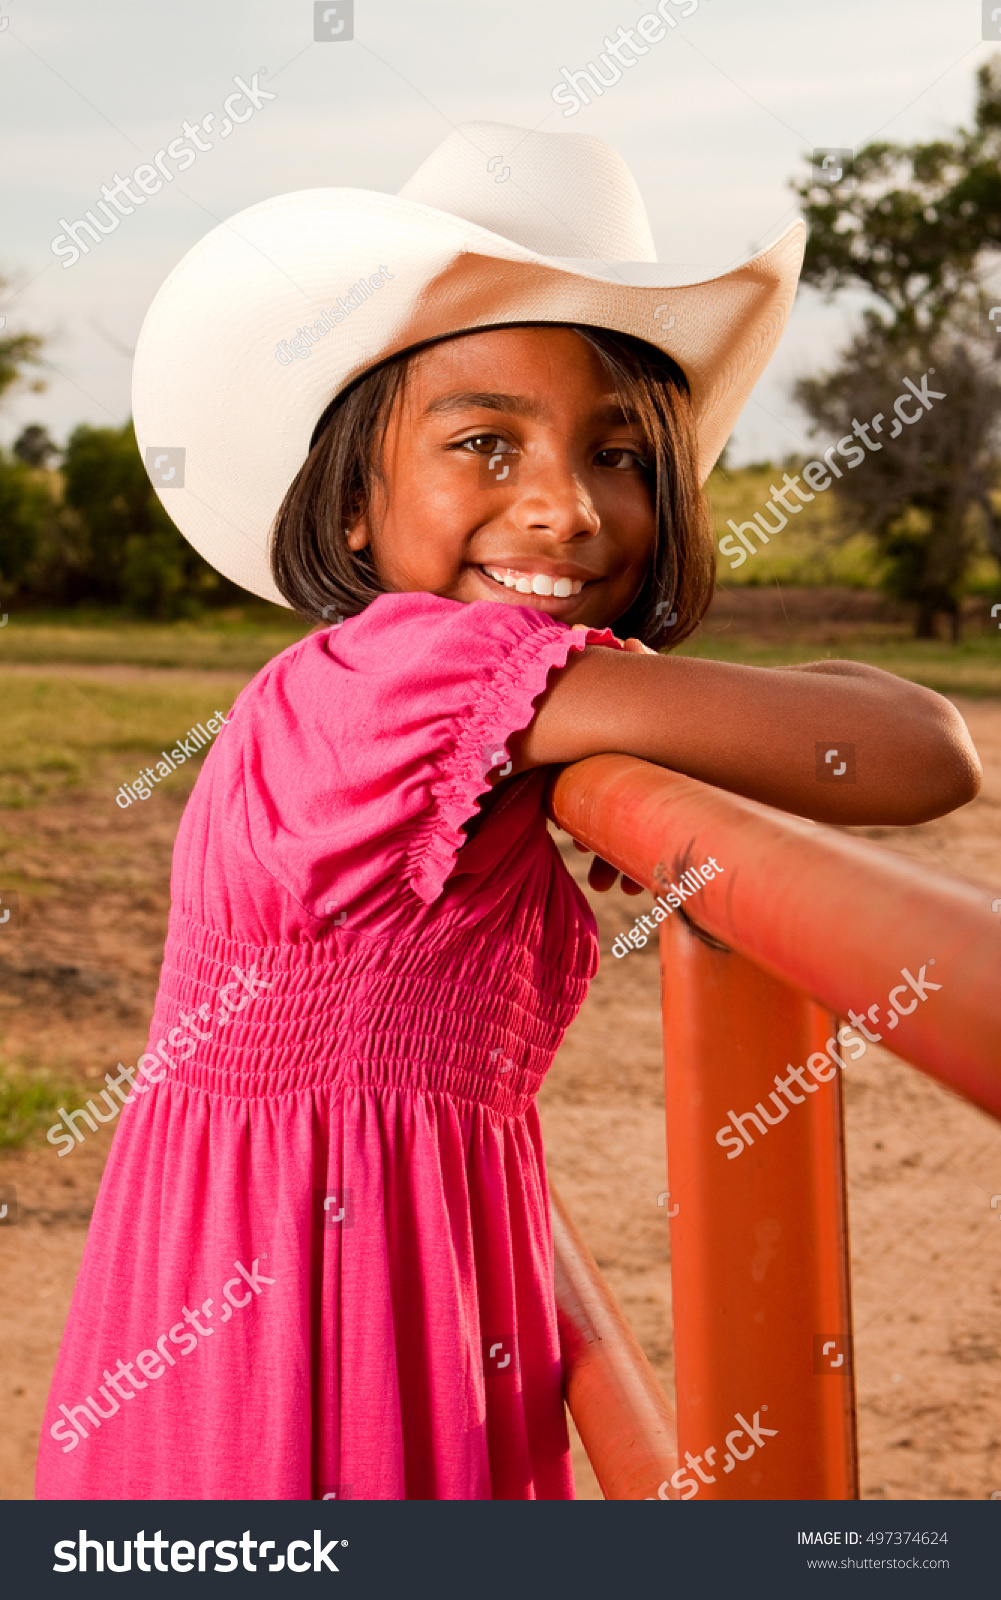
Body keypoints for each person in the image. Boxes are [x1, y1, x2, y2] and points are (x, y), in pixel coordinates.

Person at [36, 122, 980, 1503]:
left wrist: (629, 701)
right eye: (486, 443)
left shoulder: (361, 686)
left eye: (620, 457)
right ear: (353, 502)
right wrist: (645, 704)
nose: (566, 509)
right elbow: (919, 749)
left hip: (248, 1269)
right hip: (327, 1305)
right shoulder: (432, 673)